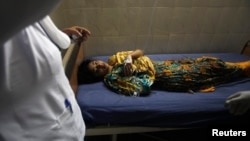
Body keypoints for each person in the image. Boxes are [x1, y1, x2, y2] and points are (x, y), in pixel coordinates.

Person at [0, 1, 91, 141]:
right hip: (37, 133)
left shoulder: (22, 18)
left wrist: (61, 36)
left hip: (70, 127)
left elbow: (33, 44)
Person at [78, 49, 250, 96]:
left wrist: (129, 58)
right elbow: (141, 89)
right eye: (96, 70)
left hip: (161, 64)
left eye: (95, 63)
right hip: (164, 77)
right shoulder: (112, 79)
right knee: (205, 71)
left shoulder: (114, 58)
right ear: (97, 77)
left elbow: (140, 51)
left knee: (209, 62)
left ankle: (242, 67)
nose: (99, 66)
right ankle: (243, 69)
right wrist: (131, 74)